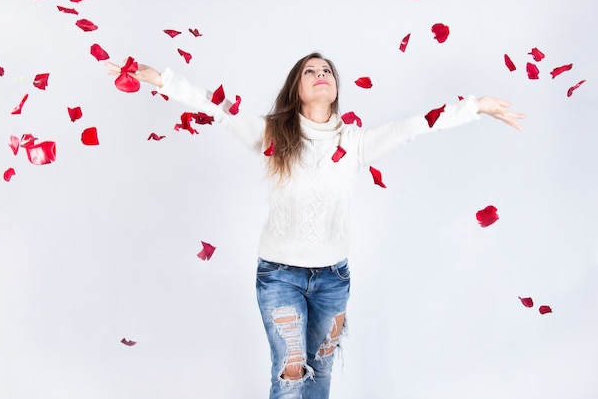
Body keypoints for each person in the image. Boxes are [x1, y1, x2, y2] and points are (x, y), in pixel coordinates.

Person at [105, 52, 524, 399]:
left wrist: (476, 107)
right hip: (279, 276)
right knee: (290, 373)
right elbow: (217, 110)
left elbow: (413, 126)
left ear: (336, 87)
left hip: (333, 279)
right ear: (297, 88)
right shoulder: (271, 134)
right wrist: (163, 80)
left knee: (320, 375)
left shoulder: (355, 142)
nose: (321, 74)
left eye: (327, 71)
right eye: (311, 70)